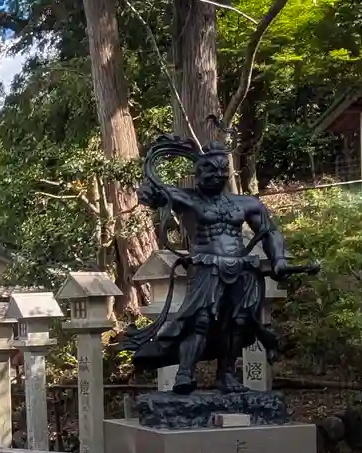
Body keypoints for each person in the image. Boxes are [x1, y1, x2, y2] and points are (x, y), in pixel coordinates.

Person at [116, 133, 313, 394]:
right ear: (197, 172)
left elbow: (270, 231)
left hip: (242, 268)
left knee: (238, 322)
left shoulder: (247, 203)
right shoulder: (186, 198)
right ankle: (185, 373)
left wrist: (278, 259)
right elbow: (157, 195)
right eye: (210, 169)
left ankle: (226, 375)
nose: (216, 175)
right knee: (200, 319)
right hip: (206, 266)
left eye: (222, 169)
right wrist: (150, 194)